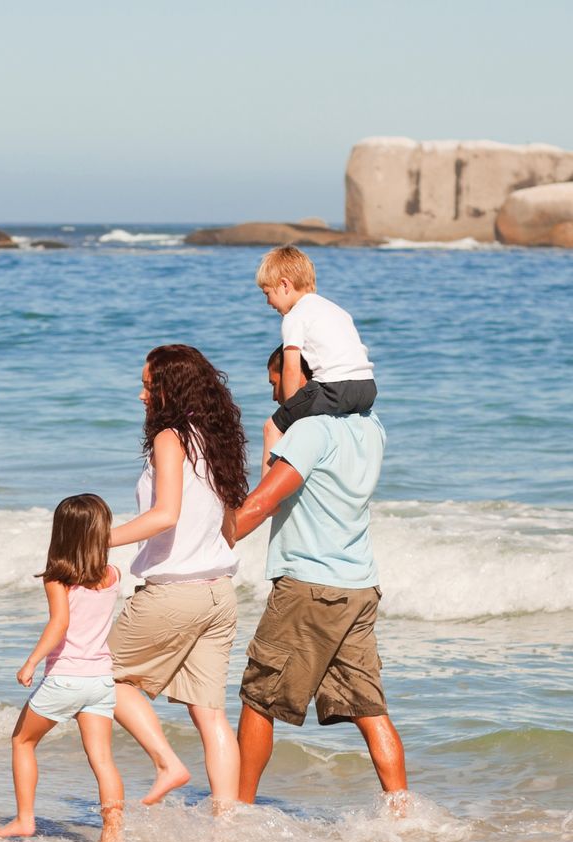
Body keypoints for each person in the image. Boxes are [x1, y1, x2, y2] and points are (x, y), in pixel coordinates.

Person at [230, 347, 408, 805]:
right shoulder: (371, 428)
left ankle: (235, 810)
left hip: (309, 586)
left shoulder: (311, 431)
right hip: (359, 587)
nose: (273, 393)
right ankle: (403, 811)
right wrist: (278, 432)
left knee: (259, 696)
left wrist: (213, 538)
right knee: (369, 707)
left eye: (275, 381)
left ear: (301, 379)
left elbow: (263, 500)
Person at [108, 344, 249, 807]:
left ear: (170, 389)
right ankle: (226, 824)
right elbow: (231, 528)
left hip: (175, 594)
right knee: (211, 715)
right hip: (219, 595)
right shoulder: (219, 440)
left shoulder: (171, 438)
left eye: (149, 386)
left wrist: (95, 540)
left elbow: (165, 515)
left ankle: (168, 764)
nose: (141, 396)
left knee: (99, 675)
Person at [0, 493, 125, 842]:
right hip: (101, 680)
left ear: (62, 533)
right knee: (102, 759)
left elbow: (60, 624)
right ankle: (112, 833)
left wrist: (31, 662)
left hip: (66, 678)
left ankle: (24, 819)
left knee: (22, 741)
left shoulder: (58, 578)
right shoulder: (113, 575)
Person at [256, 245, 377, 476]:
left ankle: (267, 495)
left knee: (271, 427)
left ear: (284, 285)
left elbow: (291, 367)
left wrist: (289, 410)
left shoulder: (295, 316)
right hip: (367, 389)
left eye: (267, 293)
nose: (268, 303)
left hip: (335, 387)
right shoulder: (336, 310)